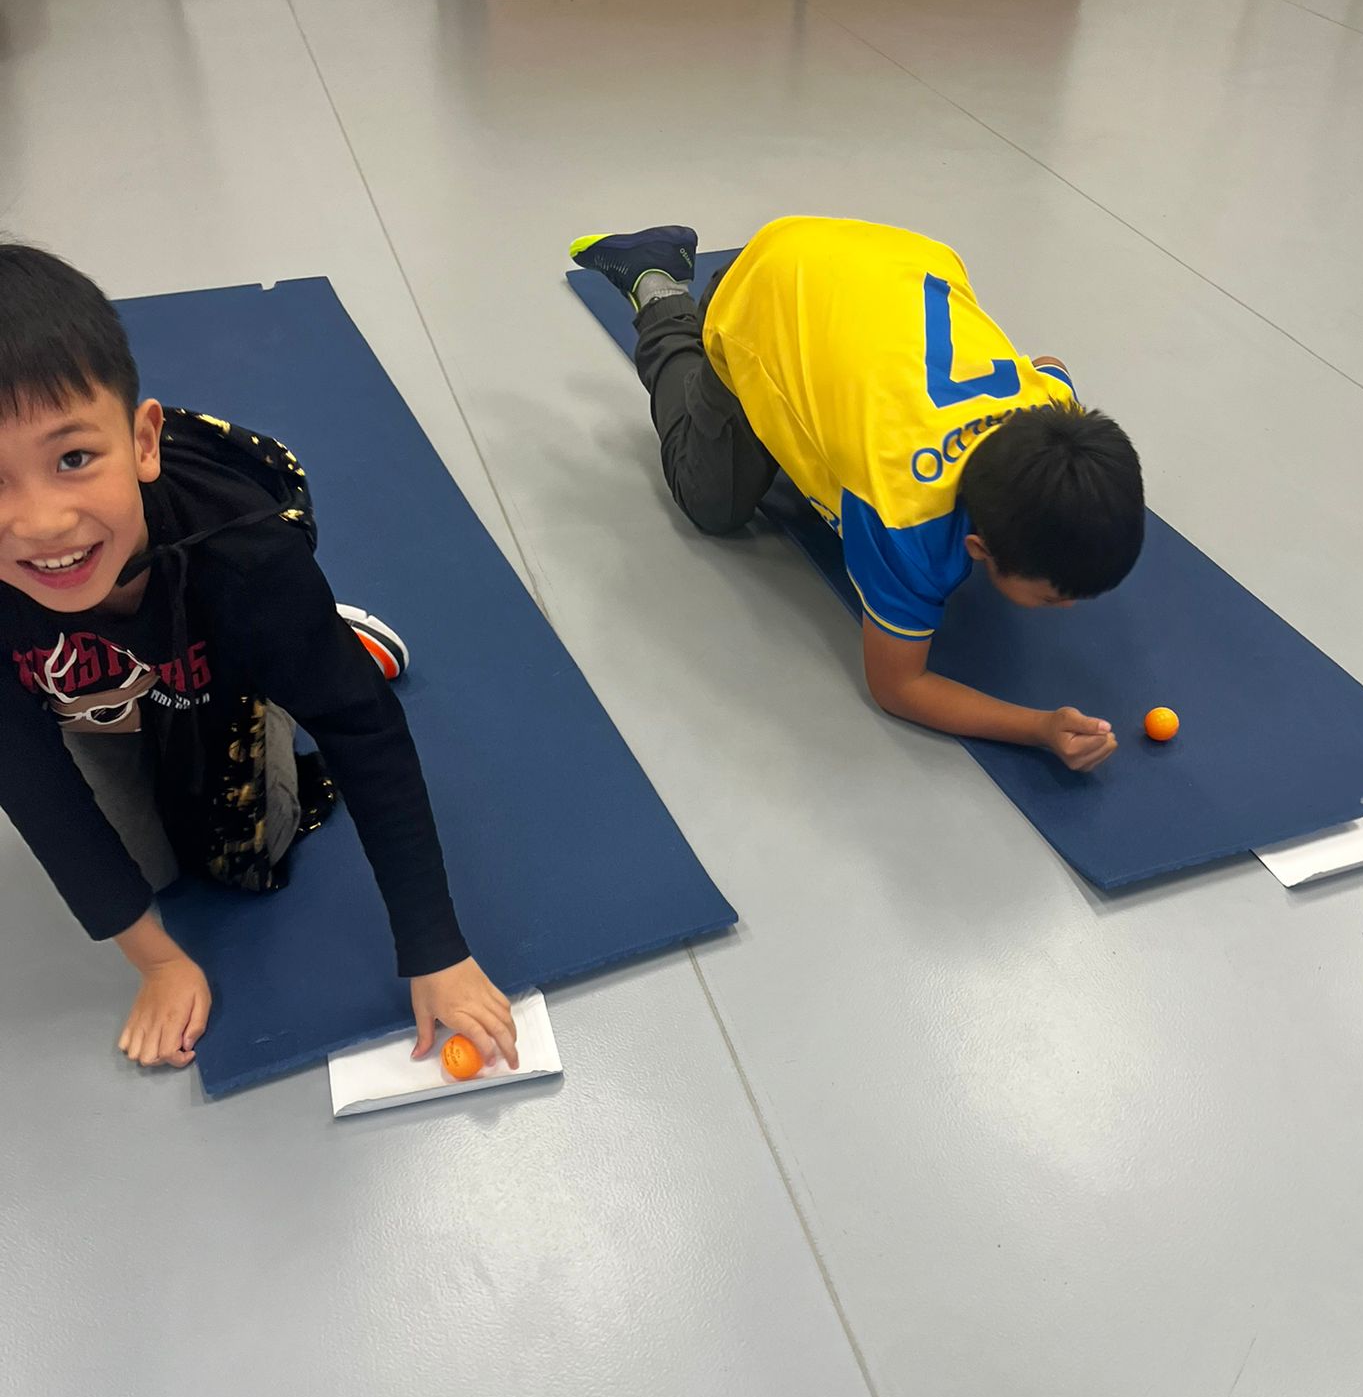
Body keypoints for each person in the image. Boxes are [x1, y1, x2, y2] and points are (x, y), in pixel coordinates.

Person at [0, 243, 517, 1072]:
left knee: (247, 856)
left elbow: (363, 732)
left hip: (219, 647)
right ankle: (269, 649)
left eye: (73, 459)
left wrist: (436, 951)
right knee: (149, 874)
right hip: (94, 684)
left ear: (142, 442)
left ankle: (321, 639)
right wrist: (159, 963)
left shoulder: (243, 562)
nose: (40, 523)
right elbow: (31, 784)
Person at [572, 216, 1145, 771]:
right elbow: (899, 686)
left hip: (891, 258)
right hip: (768, 280)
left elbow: (1049, 365)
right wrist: (1039, 728)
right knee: (711, 503)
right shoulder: (904, 516)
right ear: (977, 547)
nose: (1067, 608)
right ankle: (656, 283)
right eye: (1052, 597)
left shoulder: (1052, 411)